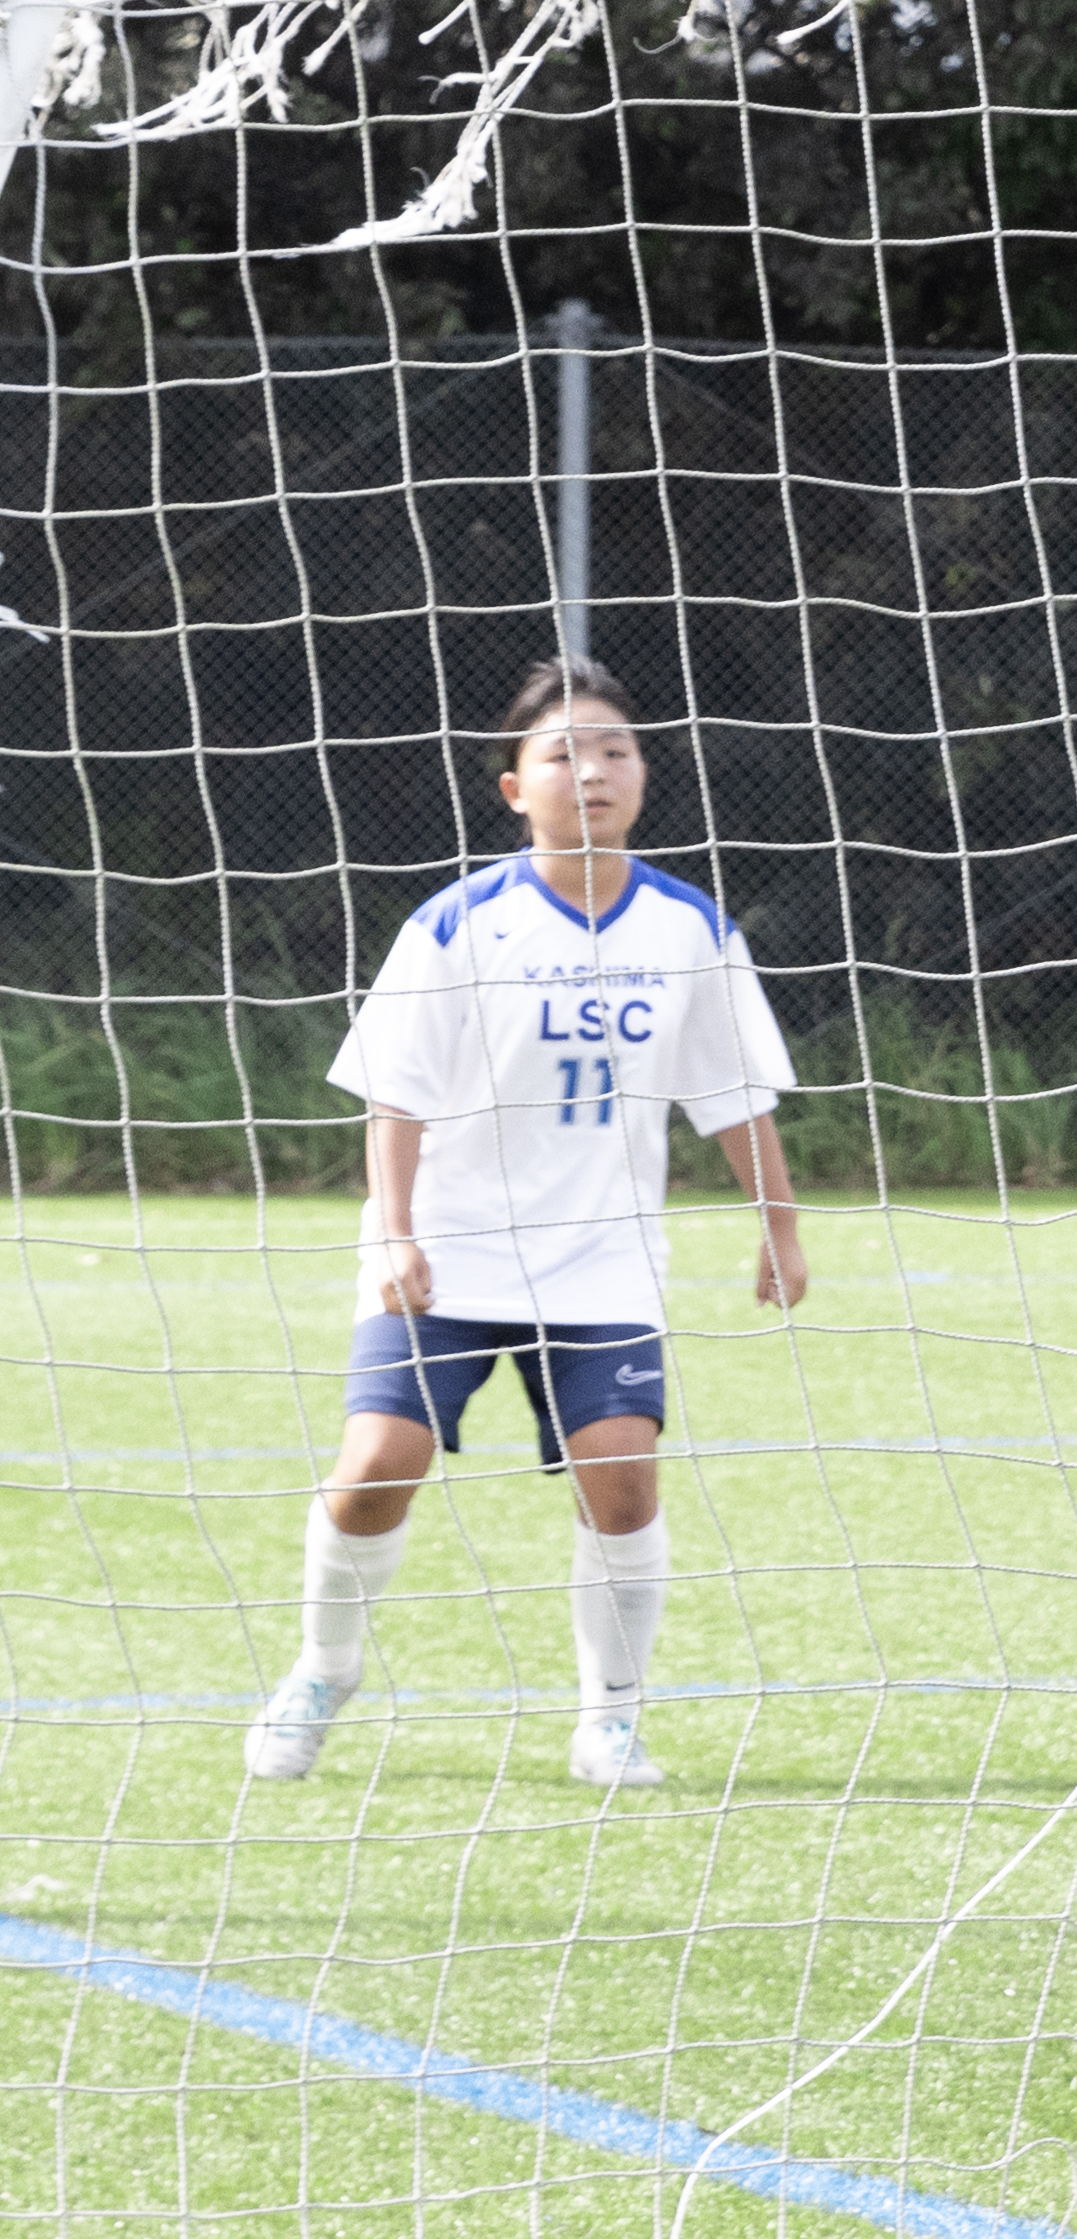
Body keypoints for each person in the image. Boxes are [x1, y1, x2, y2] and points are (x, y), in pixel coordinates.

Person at [246, 658, 810, 1797]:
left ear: (643, 772)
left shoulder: (688, 924)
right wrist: (397, 1234)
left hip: (601, 1256)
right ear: (515, 787)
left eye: (616, 749)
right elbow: (393, 1095)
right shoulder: (459, 922)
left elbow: (736, 1093)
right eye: (564, 753)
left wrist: (779, 1229)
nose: (593, 770)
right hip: (447, 1245)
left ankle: (610, 1718)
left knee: (623, 1476)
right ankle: (323, 1667)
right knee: (374, 1468)